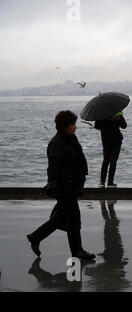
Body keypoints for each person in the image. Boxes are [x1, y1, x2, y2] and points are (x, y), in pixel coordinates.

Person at [27, 110, 96, 260]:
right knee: (73, 219)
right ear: (65, 125)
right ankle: (77, 251)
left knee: (63, 218)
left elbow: (79, 159)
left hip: (72, 186)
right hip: (65, 188)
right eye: (72, 124)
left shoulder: (71, 139)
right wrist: (57, 187)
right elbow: (53, 168)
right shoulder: (56, 144)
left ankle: (36, 237)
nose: (75, 127)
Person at [95, 111, 127, 188]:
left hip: (106, 140)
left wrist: (106, 120)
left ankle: (102, 182)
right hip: (115, 140)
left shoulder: (101, 114)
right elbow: (124, 126)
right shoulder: (117, 112)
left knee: (106, 160)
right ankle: (110, 182)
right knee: (112, 161)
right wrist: (117, 118)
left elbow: (97, 126)